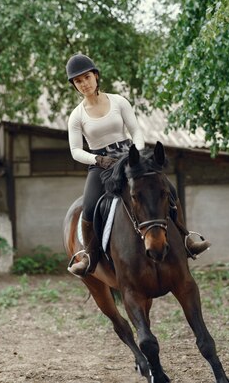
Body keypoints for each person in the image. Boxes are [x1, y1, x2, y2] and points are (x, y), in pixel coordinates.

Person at [65, 53, 210, 277]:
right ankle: (89, 255)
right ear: (75, 85)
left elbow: (136, 131)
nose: (84, 83)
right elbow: (75, 151)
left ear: (96, 76)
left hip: (129, 157)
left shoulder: (119, 101)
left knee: (167, 189)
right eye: (78, 81)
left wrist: (137, 152)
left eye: (87, 77)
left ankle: (186, 238)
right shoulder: (76, 116)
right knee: (91, 205)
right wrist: (98, 159)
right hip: (100, 164)